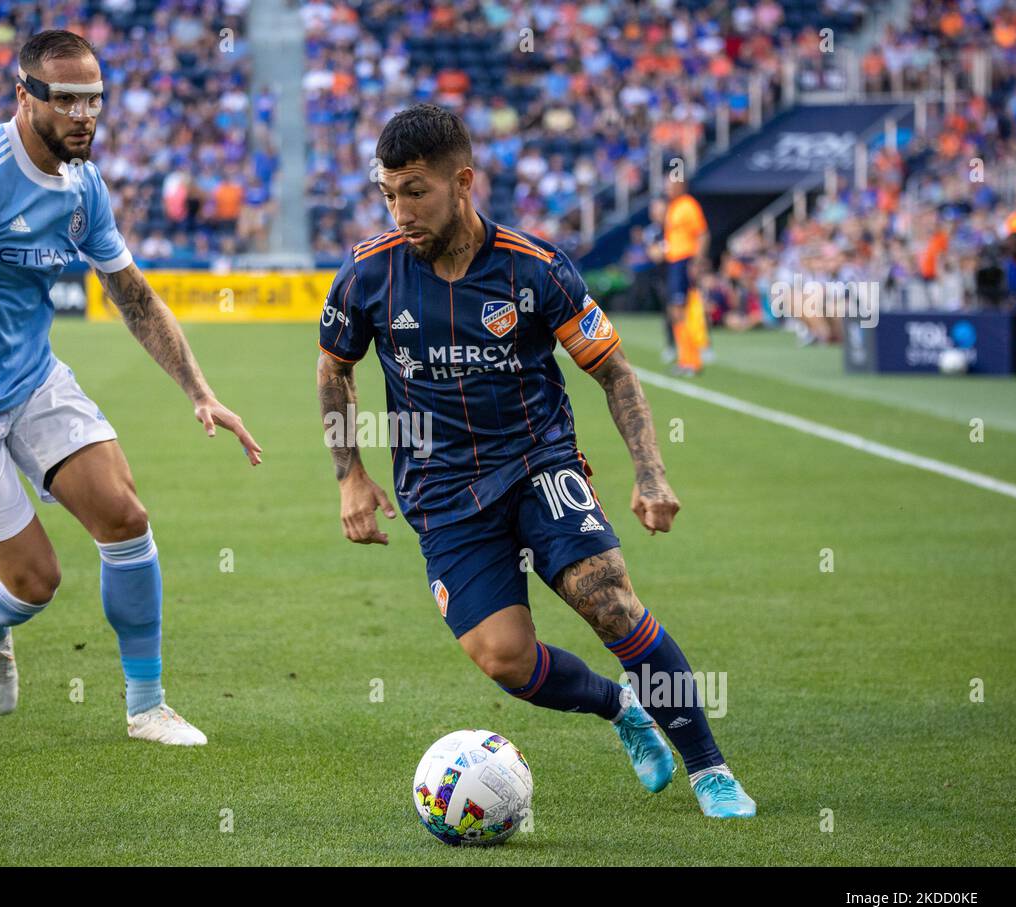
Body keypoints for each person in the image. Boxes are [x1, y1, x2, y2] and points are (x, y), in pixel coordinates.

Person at [316, 104, 754, 817]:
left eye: (415, 191)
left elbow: (613, 371)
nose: (400, 210)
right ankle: (622, 711)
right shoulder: (370, 273)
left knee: (607, 599)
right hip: (441, 491)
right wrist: (351, 476)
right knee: (506, 659)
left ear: (463, 182)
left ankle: (711, 770)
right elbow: (334, 369)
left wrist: (650, 473)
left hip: (536, 463)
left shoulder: (534, 268)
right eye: (388, 193)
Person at [0, 31, 262, 745]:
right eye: (66, 99)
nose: (83, 115)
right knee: (35, 583)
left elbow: (132, 295)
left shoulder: (84, 185)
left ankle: (146, 706)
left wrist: (200, 390)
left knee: (126, 518)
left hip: (34, 381)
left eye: (94, 99)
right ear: (24, 96)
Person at [661, 177, 710, 374]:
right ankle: (685, 358)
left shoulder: (689, 205)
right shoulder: (673, 206)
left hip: (684, 260)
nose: (667, 188)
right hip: (674, 261)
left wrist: (696, 262)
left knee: (682, 309)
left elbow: (703, 234)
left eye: (670, 185)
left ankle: (693, 360)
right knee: (675, 310)